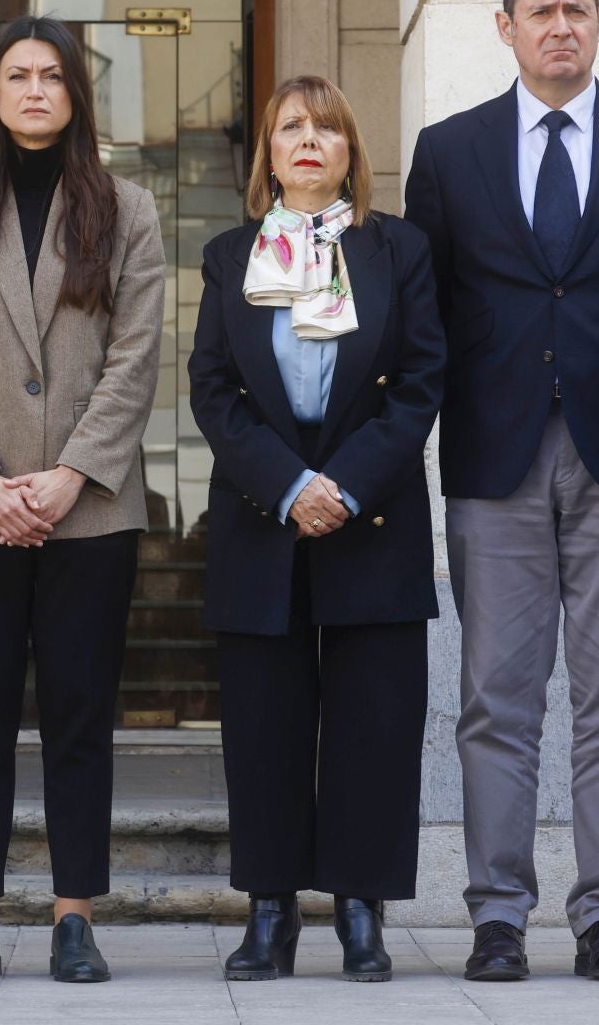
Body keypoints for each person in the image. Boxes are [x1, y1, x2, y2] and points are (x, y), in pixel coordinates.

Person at [404, 0, 599, 982]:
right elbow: (424, 309)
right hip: (495, 454)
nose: (560, 26)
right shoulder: (449, 153)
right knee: (497, 694)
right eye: (541, 11)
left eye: (577, 9)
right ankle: (497, 914)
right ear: (505, 26)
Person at [0, 15, 164, 985]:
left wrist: (67, 474)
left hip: (90, 508)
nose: (35, 90)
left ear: (75, 94)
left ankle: (72, 913)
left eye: (52, 75)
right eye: (18, 75)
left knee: (78, 712)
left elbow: (139, 356)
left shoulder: (125, 208)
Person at [189, 75, 445, 983]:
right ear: (268, 152)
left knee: (375, 724)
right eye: (290, 127)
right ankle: (269, 912)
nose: (308, 140)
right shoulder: (230, 255)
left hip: (370, 517)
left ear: (349, 152)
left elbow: (420, 382)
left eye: (326, 128)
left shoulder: (397, 251)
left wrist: (340, 484)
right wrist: (291, 485)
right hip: (264, 520)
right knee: (264, 726)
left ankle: (362, 912)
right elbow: (212, 392)